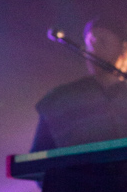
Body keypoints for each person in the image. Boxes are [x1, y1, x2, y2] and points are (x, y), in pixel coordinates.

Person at [31, 17, 127, 152]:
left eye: (103, 42)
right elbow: (37, 162)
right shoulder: (58, 100)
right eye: (90, 44)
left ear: (124, 48)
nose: (95, 49)